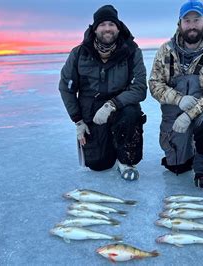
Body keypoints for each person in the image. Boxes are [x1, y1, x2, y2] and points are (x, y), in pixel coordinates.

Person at [149, 0, 203, 188]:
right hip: (174, 112)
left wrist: (189, 114)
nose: (192, 25)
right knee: (177, 167)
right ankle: (189, 150)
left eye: (196, 19)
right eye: (187, 20)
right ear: (180, 23)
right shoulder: (165, 51)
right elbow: (154, 84)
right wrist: (178, 99)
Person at [59, 5, 147, 180]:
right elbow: (66, 87)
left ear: (118, 27)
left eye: (111, 24)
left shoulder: (131, 51)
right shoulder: (79, 54)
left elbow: (140, 88)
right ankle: (108, 149)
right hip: (91, 113)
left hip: (120, 108)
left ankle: (125, 160)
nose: (107, 28)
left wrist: (111, 105)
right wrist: (78, 121)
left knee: (131, 112)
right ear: (95, 28)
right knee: (99, 164)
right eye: (102, 24)